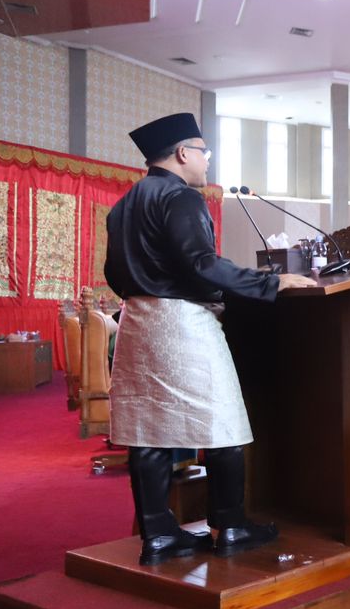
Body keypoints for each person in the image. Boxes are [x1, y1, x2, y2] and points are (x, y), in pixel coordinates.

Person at [105, 113, 317, 565]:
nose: (207, 161)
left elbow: (112, 273)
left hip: (138, 322)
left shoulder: (124, 204)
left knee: (148, 432)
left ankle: (158, 534)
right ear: (184, 153)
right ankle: (231, 524)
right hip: (182, 324)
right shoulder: (181, 197)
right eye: (205, 152)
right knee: (223, 422)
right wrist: (271, 284)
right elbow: (200, 264)